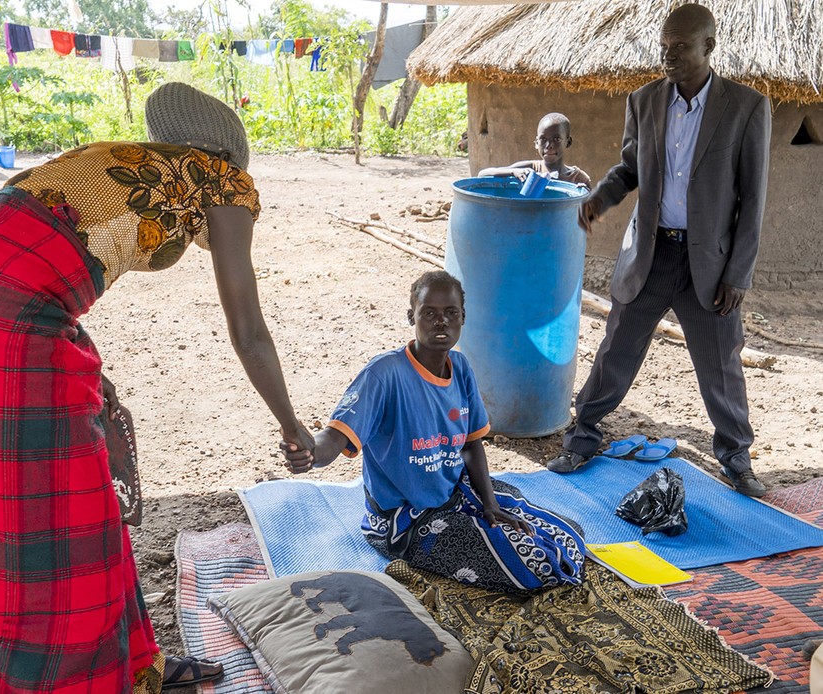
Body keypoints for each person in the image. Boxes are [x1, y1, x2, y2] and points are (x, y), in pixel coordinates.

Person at [0, 82, 313, 691]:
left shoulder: (118, 159)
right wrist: (291, 422)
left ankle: (135, 661)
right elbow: (248, 328)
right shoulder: (220, 179)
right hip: (6, 324)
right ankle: (78, 678)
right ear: (226, 158)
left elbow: (16, 261)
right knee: (68, 511)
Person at [546, 4, 772, 498]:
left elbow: (754, 198)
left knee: (722, 367)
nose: (668, 56)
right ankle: (581, 438)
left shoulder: (746, 107)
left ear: (708, 47)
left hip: (708, 266)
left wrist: (739, 273)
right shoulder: (645, 100)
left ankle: (737, 460)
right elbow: (631, 168)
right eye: (663, 46)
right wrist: (600, 199)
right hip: (650, 256)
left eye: (680, 47)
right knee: (615, 353)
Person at [281, 271, 586, 594]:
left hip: (456, 491)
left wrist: (490, 504)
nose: (441, 322)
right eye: (429, 313)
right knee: (535, 567)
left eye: (450, 313)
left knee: (567, 532)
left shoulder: (461, 368)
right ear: (411, 316)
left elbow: (471, 445)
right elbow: (334, 438)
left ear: (463, 318)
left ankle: (489, 518)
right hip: (406, 520)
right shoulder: (384, 375)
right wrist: (311, 452)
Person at [478, 112, 591, 187]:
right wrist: (513, 172)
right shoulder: (530, 168)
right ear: (536, 143)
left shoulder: (578, 178)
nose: (549, 145)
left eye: (556, 139)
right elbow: (482, 174)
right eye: (543, 139)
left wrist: (582, 196)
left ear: (568, 142)